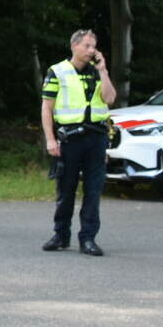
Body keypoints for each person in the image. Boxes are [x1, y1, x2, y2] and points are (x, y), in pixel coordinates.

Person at [41, 29, 118, 256]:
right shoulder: (57, 71)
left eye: (93, 46)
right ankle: (61, 234)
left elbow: (110, 98)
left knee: (93, 191)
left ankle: (88, 238)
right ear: (74, 46)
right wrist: (50, 139)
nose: (91, 50)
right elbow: (47, 107)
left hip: (96, 137)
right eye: (86, 45)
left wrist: (103, 70)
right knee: (66, 190)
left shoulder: (97, 72)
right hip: (70, 138)